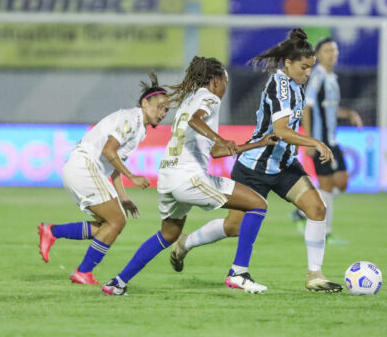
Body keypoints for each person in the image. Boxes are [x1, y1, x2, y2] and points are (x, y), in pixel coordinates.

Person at [169, 29, 343, 292]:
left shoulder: (297, 85)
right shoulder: (279, 84)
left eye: (311, 68)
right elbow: (281, 130)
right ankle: (185, 243)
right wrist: (315, 142)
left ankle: (314, 276)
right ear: (288, 63)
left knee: (317, 209)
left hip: (283, 164)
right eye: (304, 67)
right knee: (233, 226)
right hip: (255, 166)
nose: (308, 73)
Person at [101, 56, 278, 296]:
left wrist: (256, 144)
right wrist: (220, 138)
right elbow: (198, 123)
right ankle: (238, 273)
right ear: (216, 81)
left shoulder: (189, 101)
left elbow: (214, 151)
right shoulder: (209, 97)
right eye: (225, 81)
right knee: (258, 204)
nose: (226, 87)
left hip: (168, 176)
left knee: (168, 234)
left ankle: (118, 282)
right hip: (188, 177)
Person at [37, 73, 170, 285]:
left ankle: (53, 231)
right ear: (145, 102)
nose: (162, 113)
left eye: (166, 110)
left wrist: (123, 197)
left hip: (82, 168)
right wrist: (132, 176)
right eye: (159, 106)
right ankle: (83, 271)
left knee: (108, 225)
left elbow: (113, 165)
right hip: (85, 166)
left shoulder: (139, 129)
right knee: (116, 221)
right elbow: (109, 151)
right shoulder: (131, 119)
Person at [290, 37, 363, 243]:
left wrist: (348, 114)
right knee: (328, 185)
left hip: (332, 139)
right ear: (318, 55)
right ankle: (325, 232)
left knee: (342, 181)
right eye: (329, 50)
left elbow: (329, 108)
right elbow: (307, 107)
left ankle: (303, 213)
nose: (333, 54)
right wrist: (310, 140)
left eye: (335, 50)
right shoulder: (317, 77)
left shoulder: (332, 78)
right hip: (320, 139)